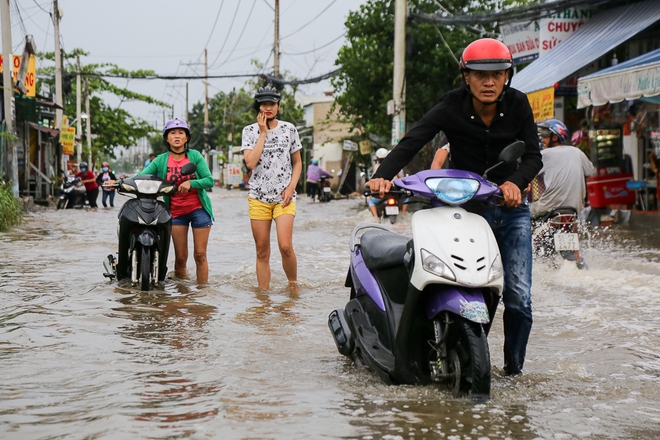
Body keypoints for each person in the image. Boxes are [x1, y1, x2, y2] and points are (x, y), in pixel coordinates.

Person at [367, 38, 542, 376]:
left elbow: (533, 155)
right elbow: (412, 141)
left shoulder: (520, 104)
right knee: (452, 278)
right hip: (466, 210)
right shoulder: (450, 106)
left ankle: (514, 371)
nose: (488, 82)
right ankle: (448, 349)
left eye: (497, 74)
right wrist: (382, 176)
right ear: (466, 76)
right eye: (479, 75)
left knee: (518, 297)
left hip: (510, 211)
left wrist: (514, 183)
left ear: (508, 75)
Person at [241, 85, 303, 291]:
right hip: (258, 197)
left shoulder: (289, 130)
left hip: (284, 197)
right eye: (264, 104)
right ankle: (263, 296)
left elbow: (298, 163)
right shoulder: (249, 131)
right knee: (261, 251)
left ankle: (293, 286)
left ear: (278, 106)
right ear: (258, 106)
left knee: (285, 246)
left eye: (272, 104)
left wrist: (291, 187)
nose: (268, 108)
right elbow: (250, 163)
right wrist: (262, 133)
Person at [141, 118, 214, 283]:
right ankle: (182, 297)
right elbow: (143, 176)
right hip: (176, 213)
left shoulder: (195, 156)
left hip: (198, 210)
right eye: (172, 133)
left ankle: (202, 295)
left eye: (181, 133)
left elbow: (209, 180)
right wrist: (119, 183)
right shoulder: (160, 160)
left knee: (200, 255)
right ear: (167, 138)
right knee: (181, 258)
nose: (177, 136)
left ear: (186, 138)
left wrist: (191, 183)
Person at [531, 119, 595, 269]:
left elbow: (529, 173)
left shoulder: (543, 155)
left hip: (547, 207)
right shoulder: (577, 152)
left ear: (554, 137)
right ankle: (578, 257)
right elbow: (591, 172)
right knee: (573, 224)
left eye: (545, 136)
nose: (542, 140)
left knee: (521, 215)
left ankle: (530, 252)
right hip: (573, 208)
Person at [368, 148, 408, 217]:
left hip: (382, 192)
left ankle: (376, 219)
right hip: (395, 192)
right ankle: (403, 216)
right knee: (405, 200)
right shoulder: (395, 165)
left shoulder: (377, 167)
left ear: (377, 158)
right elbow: (402, 178)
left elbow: (373, 180)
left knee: (371, 202)